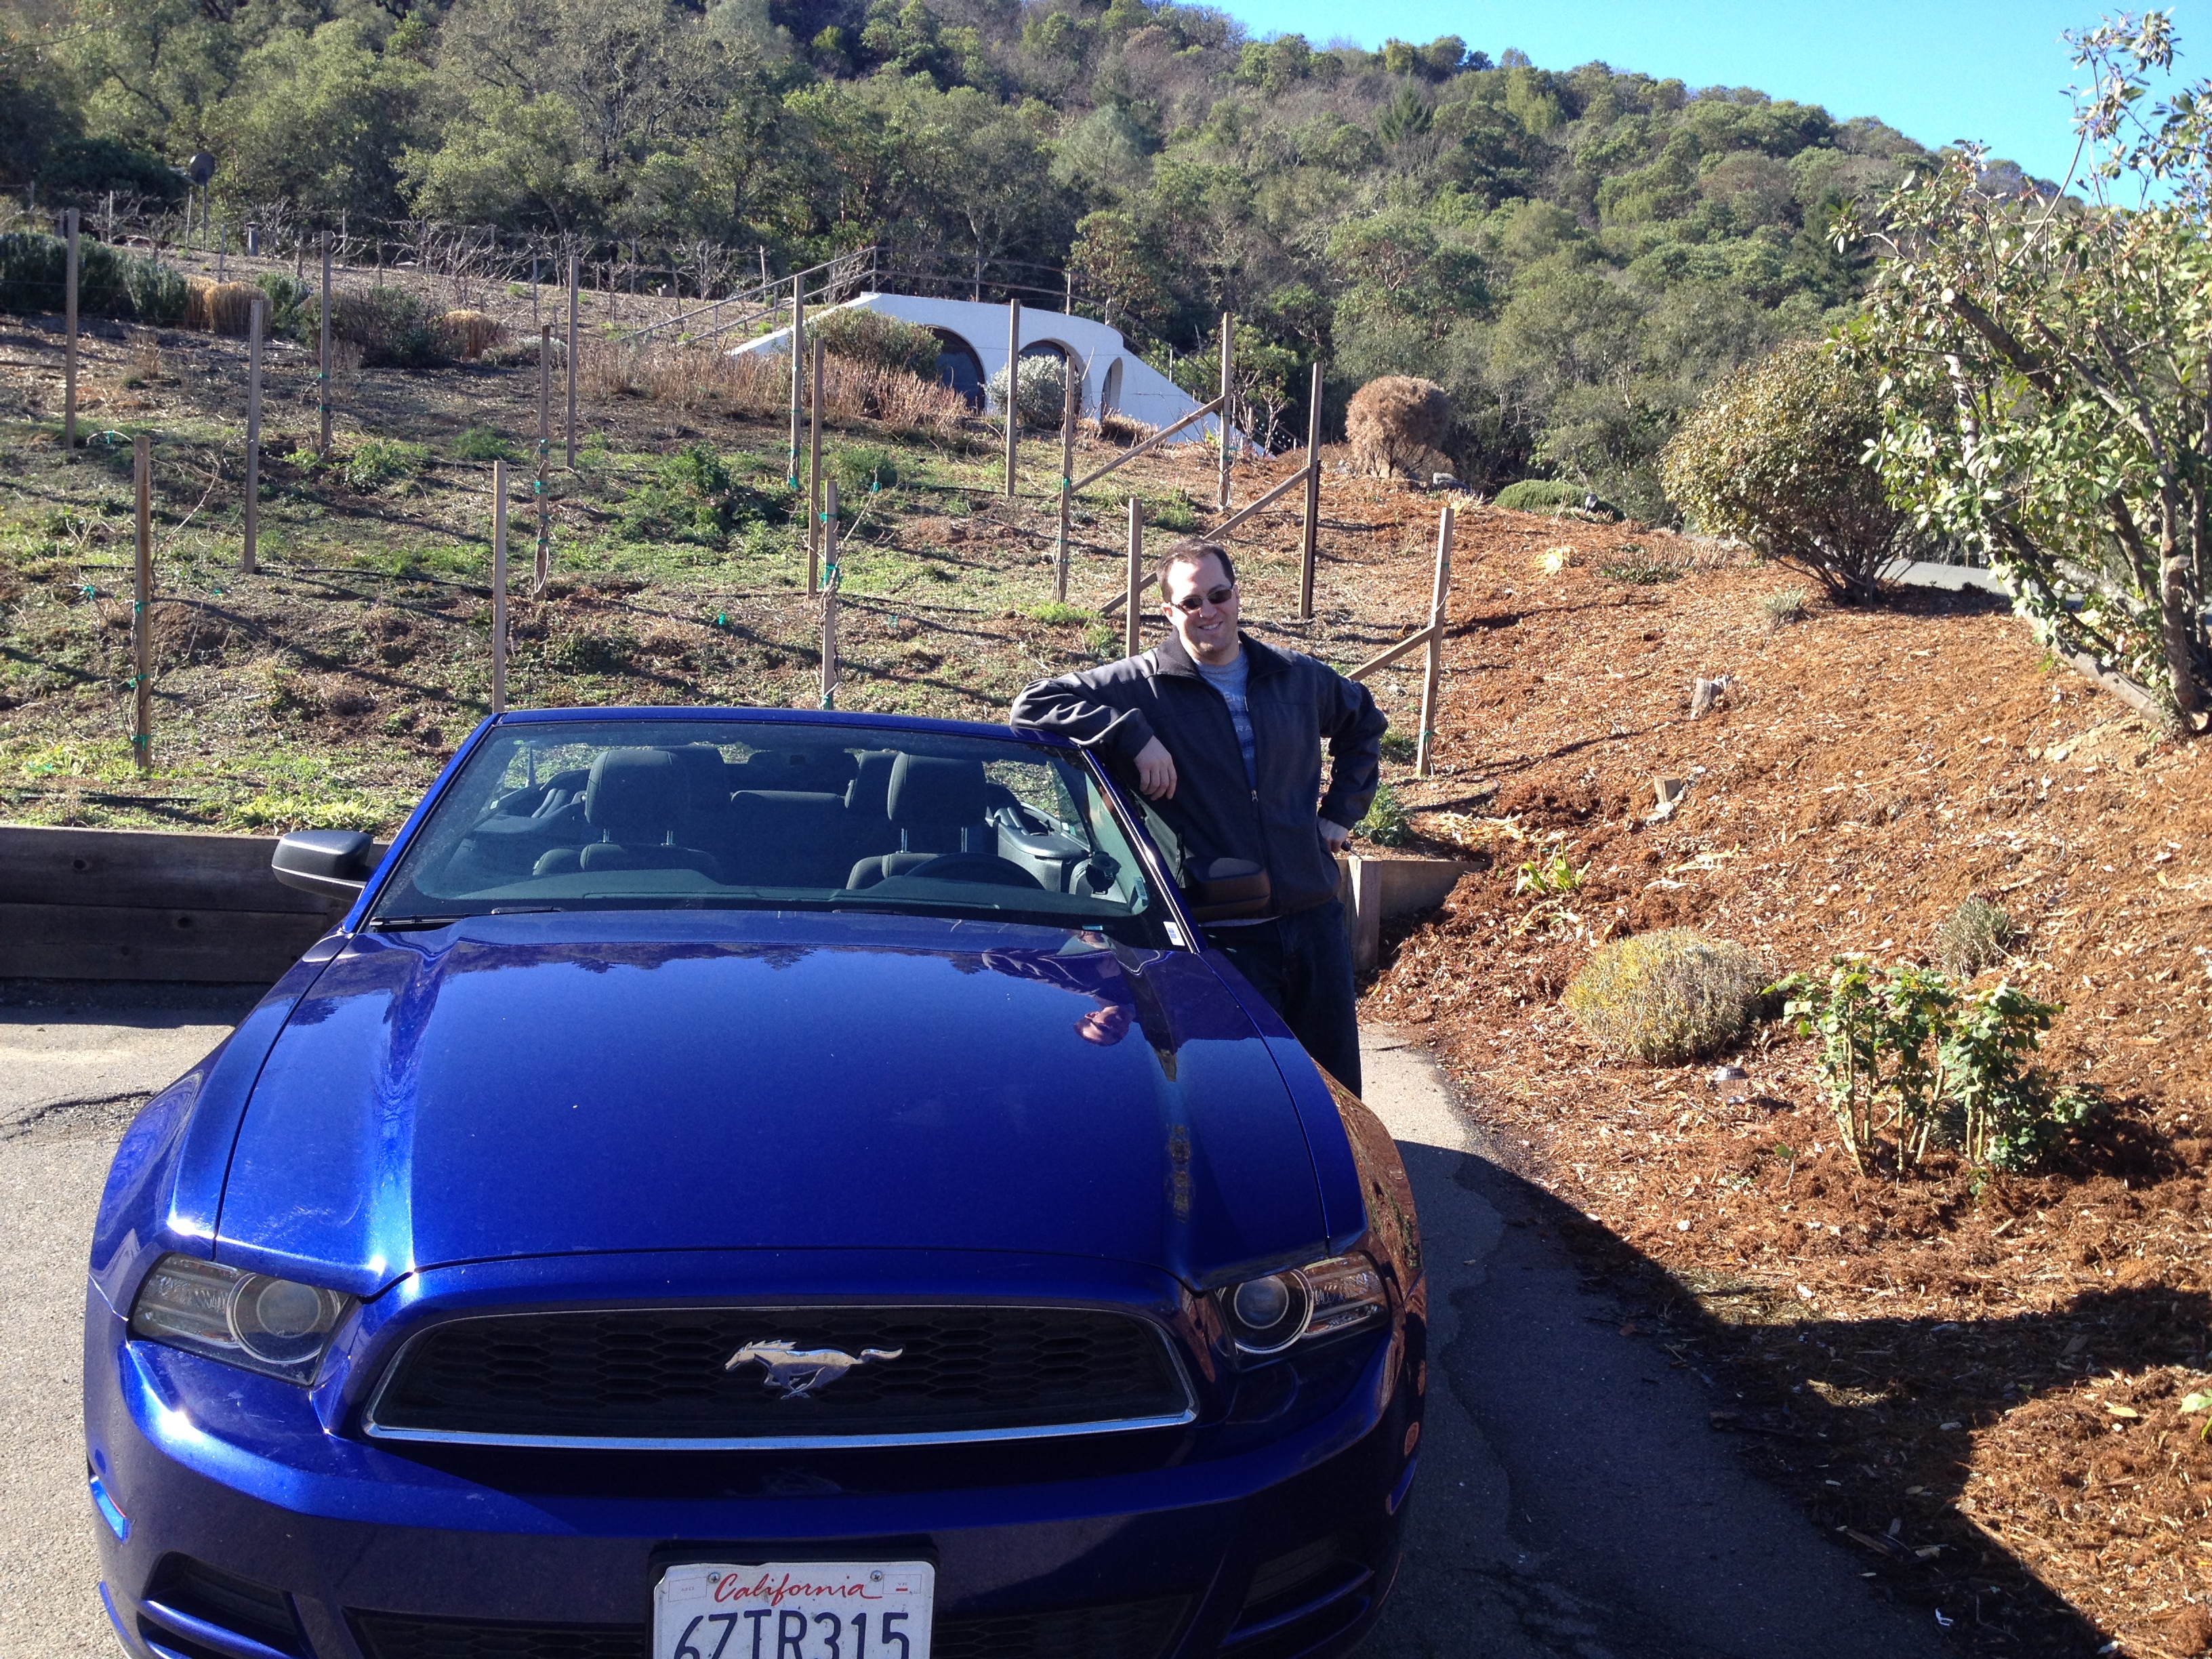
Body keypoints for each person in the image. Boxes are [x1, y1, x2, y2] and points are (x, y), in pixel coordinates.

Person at [1009, 539, 1387, 1094]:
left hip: (1314, 922)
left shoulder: (1295, 677)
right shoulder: (1141, 684)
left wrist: (1341, 812)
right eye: (1191, 602)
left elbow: (1365, 723)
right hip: (1218, 939)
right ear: (1169, 611)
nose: (1208, 611)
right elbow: (1032, 704)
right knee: (1242, 1096)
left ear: (1237, 596)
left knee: (1335, 1093)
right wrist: (1133, 735)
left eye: (1219, 595)